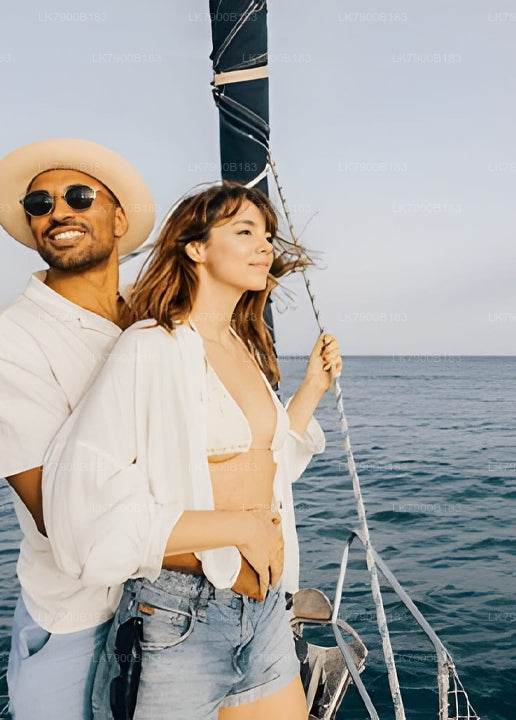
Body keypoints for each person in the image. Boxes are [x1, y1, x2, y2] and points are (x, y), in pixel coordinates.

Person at [41, 181, 342, 719]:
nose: (265, 245)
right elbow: (80, 505)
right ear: (195, 246)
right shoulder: (151, 347)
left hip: (265, 610)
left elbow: (265, 466)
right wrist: (239, 528)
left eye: (268, 235)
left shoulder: (243, 345)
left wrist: (311, 390)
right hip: (177, 615)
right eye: (245, 231)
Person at [0, 138, 156, 719]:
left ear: (119, 218)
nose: (57, 212)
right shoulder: (3, 345)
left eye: (77, 196)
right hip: (79, 623)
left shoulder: (151, 321)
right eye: (40, 204)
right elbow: (61, 519)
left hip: (179, 606)